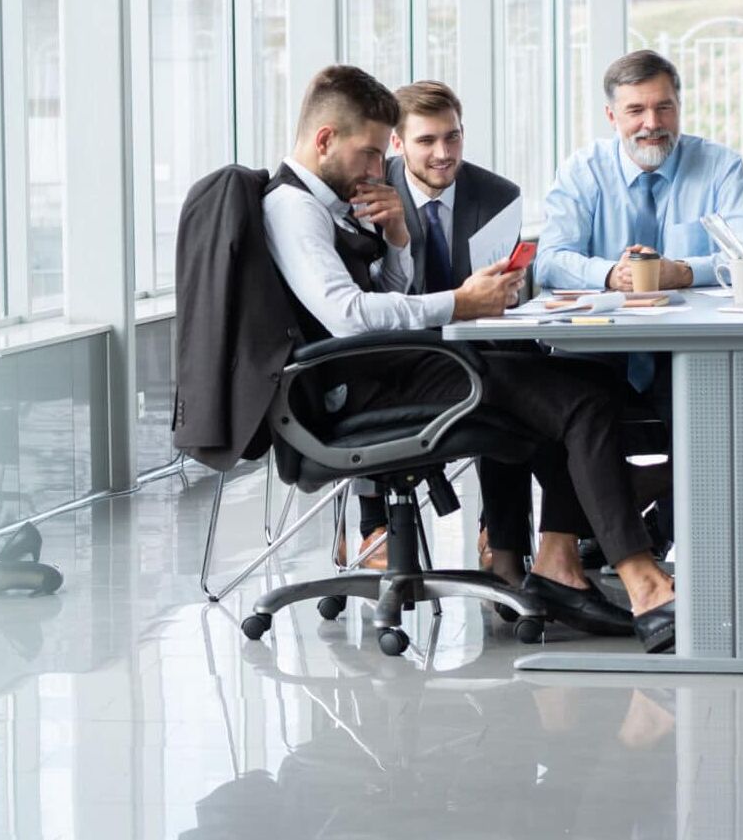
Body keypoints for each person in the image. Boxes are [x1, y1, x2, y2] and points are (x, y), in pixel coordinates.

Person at [262, 64, 677, 651]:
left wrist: (399, 239)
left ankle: (561, 563)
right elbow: (348, 315)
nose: (378, 168)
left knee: (580, 383)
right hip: (367, 385)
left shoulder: (330, 200)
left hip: (392, 367)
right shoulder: (294, 208)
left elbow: (385, 293)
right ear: (327, 139)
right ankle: (640, 581)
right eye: (373, 152)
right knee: (579, 397)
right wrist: (459, 302)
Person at [536, 50, 743, 547]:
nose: (652, 124)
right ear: (612, 116)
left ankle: (665, 534)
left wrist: (679, 271)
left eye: (664, 108)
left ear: (679, 107)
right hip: (600, 354)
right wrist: (611, 275)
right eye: (636, 110)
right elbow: (549, 259)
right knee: (565, 404)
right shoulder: (584, 171)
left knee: (723, 416)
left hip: (686, 354)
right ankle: (597, 536)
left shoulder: (720, 167)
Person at [344, 81, 530, 582]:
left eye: (453, 138)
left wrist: (507, 293)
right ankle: (373, 526)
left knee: (515, 377)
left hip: (476, 342)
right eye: (427, 141)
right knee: (370, 365)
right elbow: (376, 296)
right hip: (398, 347)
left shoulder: (498, 195)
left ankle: (503, 534)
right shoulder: (368, 193)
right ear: (398, 144)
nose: (443, 154)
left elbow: (502, 291)